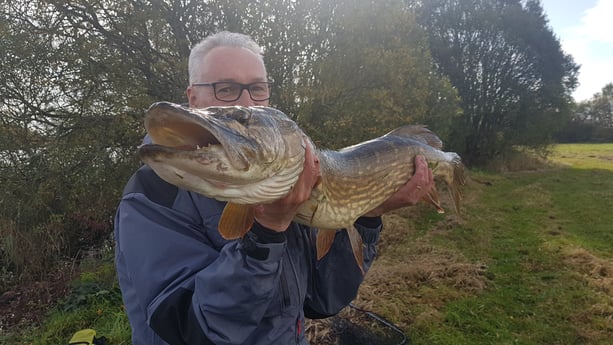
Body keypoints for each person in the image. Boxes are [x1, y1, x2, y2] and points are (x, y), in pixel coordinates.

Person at [114, 31, 434, 345]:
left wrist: (368, 213)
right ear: (193, 98)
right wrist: (267, 231)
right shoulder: (151, 197)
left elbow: (323, 300)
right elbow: (193, 329)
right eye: (225, 89)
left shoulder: (285, 181)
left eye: (257, 89)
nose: (246, 101)